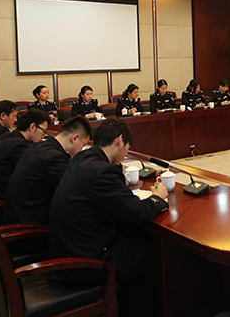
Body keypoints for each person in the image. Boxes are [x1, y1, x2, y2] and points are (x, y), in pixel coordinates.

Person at [49, 118, 168, 317]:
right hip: (84, 264)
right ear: (119, 140)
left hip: (66, 251)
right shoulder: (103, 171)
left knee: (134, 237)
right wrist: (158, 197)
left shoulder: (82, 158)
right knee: (153, 248)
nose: (126, 154)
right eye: (127, 148)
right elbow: (138, 212)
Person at [3, 116, 92, 226]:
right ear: (74, 138)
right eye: (83, 145)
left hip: (17, 214)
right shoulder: (54, 158)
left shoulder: (39, 146)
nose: (81, 149)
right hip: (29, 225)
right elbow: (76, 190)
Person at [0, 109, 51, 200]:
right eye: (44, 131)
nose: (43, 136)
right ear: (32, 127)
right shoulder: (20, 146)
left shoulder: (8, 136)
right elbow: (35, 173)